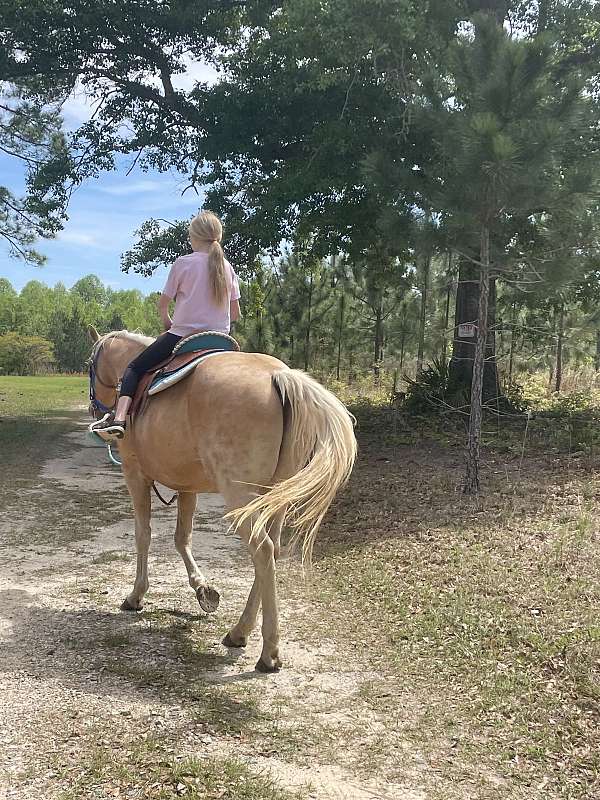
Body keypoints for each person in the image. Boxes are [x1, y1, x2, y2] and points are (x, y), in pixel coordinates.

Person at [91, 210, 241, 440]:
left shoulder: (183, 263)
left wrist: (168, 321)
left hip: (183, 337)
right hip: (221, 341)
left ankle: (119, 419)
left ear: (194, 237)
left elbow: (163, 305)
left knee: (134, 368)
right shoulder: (227, 268)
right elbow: (235, 314)